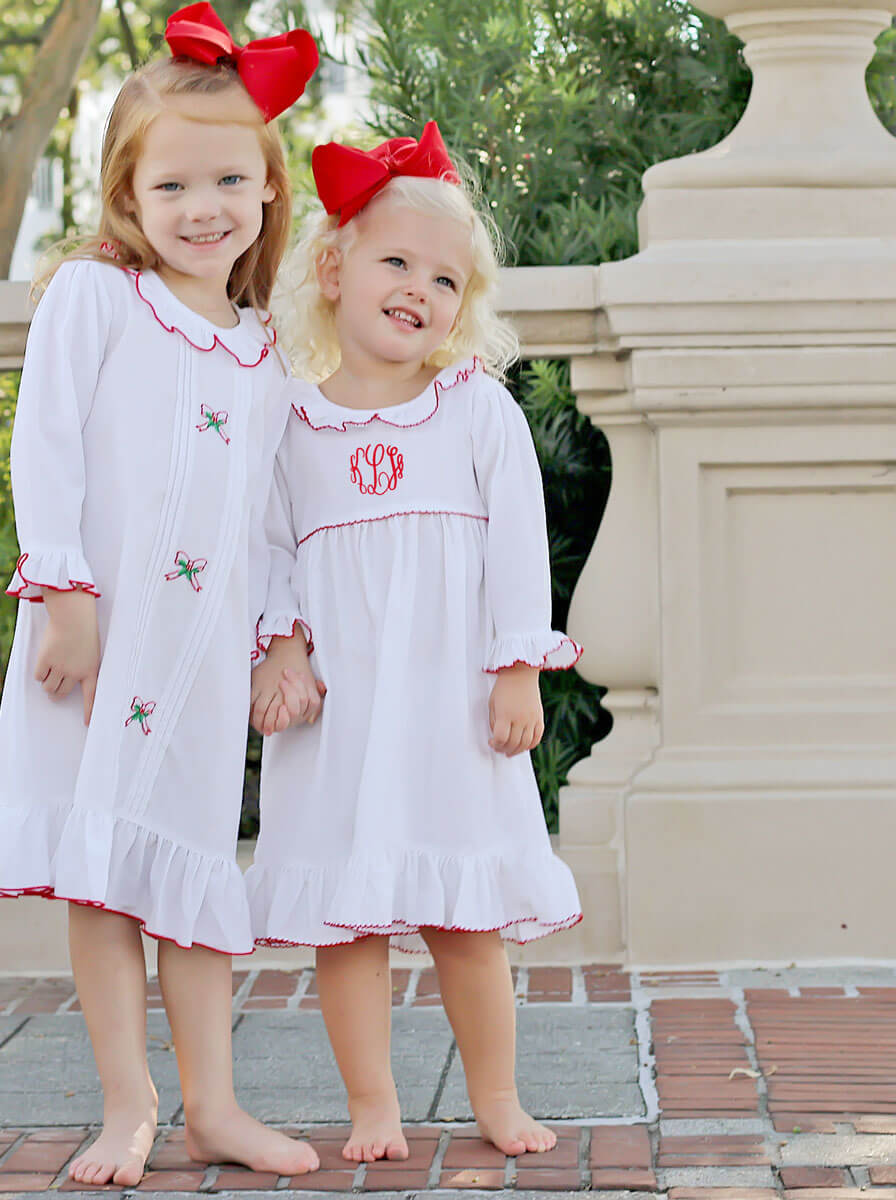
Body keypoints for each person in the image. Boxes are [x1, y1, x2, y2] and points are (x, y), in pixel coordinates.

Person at [0, 4, 322, 1185]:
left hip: (202, 666)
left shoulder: (269, 351)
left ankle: (214, 1103)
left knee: (197, 879)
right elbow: (42, 447)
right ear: (127, 197)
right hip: (99, 642)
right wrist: (62, 596)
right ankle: (129, 1103)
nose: (203, 207)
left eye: (229, 179)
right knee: (102, 876)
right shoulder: (96, 301)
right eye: (172, 186)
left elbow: (275, 521)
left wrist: (278, 643)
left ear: (268, 190)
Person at [247, 121, 584, 1165]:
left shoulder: (472, 410)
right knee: (346, 923)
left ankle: (495, 1095)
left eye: (444, 278)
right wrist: (283, 649)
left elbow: (520, 544)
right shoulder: (290, 422)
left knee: (462, 915)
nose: (418, 289)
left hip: (448, 703)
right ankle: (374, 1107)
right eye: (396, 261)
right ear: (333, 267)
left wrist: (517, 664)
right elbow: (269, 552)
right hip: (343, 711)